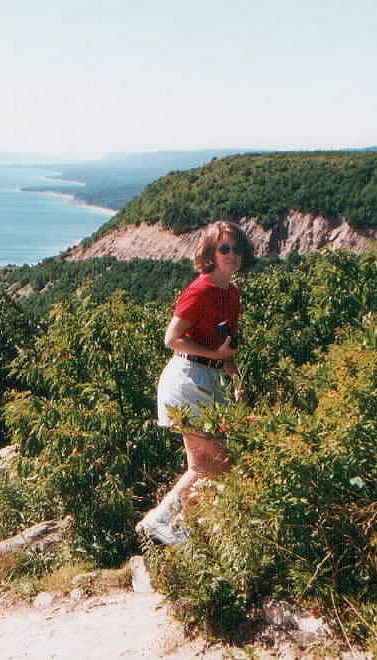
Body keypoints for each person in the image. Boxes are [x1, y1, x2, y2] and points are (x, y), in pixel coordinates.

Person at [136, 221, 256, 545]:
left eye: (237, 248)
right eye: (225, 249)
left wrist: (234, 376)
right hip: (188, 377)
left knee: (213, 463)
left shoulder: (231, 294)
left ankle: (182, 530)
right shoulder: (200, 290)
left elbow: (225, 343)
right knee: (211, 462)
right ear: (210, 254)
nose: (232, 255)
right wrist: (216, 356)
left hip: (211, 378)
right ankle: (160, 521)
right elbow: (172, 338)